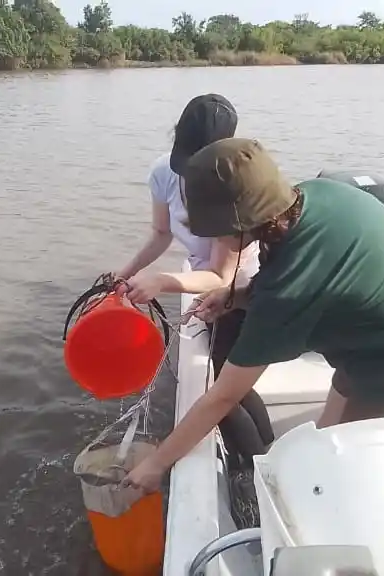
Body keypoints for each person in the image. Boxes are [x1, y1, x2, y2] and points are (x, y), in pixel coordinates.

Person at [123, 138, 384, 492]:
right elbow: (310, 270)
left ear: (243, 222)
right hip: (374, 356)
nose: (214, 239)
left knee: (356, 484)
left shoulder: (288, 289)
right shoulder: (317, 194)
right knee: (322, 456)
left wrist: (157, 464)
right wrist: (239, 297)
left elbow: (223, 396)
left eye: (215, 229)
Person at [110, 94, 274, 470]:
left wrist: (163, 281)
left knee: (221, 394)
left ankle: (255, 472)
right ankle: (264, 461)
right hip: (202, 285)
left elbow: (221, 275)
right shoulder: (162, 173)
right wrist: (127, 273)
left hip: (241, 291)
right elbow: (160, 233)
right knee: (230, 388)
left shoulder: (230, 187)